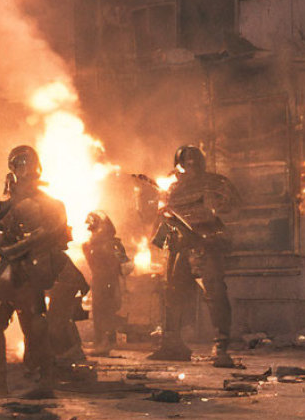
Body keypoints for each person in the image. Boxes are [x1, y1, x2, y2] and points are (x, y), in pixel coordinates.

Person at [0, 146, 70, 398]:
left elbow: (53, 238)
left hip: (31, 272)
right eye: (18, 165)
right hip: (6, 273)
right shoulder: (5, 205)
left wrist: (17, 249)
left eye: (26, 164)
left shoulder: (50, 205)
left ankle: (44, 378)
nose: (23, 170)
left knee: (35, 327)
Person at [149, 145, 240, 367]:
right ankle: (172, 344)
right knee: (172, 295)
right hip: (178, 245)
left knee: (215, 293)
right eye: (185, 161)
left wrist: (212, 212)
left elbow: (231, 207)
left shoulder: (215, 182)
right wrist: (158, 242)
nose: (189, 165)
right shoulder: (169, 186)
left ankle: (221, 346)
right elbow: (163, 216)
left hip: (205, 244)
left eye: (193, 160)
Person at [83, 211, 131, 355]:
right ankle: (101, 343)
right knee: (98, 312)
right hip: (99, 280)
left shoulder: (113, 244)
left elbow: (124, 265)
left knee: (105, 312)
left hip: (108, 281)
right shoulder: (92, 244)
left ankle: (105, 344)